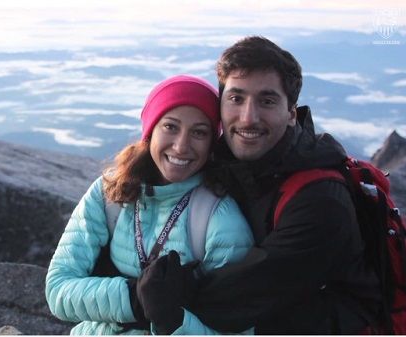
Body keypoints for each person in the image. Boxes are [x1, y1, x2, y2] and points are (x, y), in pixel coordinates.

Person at [135, 36, 382, 334]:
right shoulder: (224, 165)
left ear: (291, 114)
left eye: (267, 101)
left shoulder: (320, 201)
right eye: (236, 98)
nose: (248, 117)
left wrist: (145, 295)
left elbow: (231, 301)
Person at [45, 75, 254, 335]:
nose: (181, 146)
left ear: (212, 143)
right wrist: (135, 299)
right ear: (150, 130)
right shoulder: (108, 193)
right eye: (170, 127)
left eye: (199, 132)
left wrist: (174, 322)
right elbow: (58, 289)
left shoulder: (219, 218)